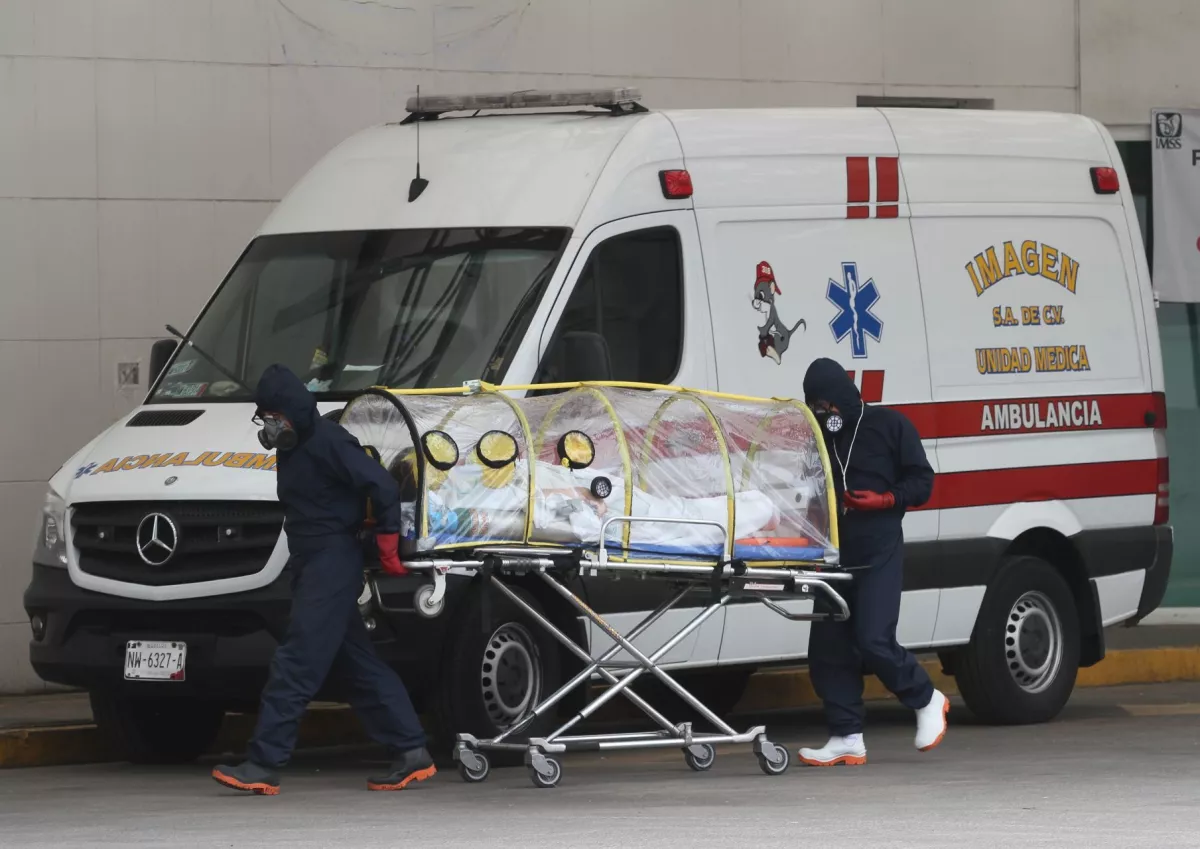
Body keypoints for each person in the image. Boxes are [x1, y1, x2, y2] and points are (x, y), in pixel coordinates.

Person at [212, 364, 434, 795]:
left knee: (295, 663)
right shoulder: (292, 448)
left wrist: (387, 544)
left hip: (332, 562)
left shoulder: (330, 442)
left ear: (293, 412)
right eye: (265, 420)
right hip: (311, 562)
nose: (270, 427)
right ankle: (411, 752)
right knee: (356, 663)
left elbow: (383, 488)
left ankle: (263, 763)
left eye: (275, 418)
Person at [797, 357, 947, 766]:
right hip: (833, 552)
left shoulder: (889, 426)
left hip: (878, 545)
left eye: (828, 403)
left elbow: (922, 481)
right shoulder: (820, 438)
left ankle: (928, 699)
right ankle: (846, 735)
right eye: (815, 405)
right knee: (828, 649)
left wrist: (886, 500)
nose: (824, 412)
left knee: (873, 638)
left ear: (844, 394)